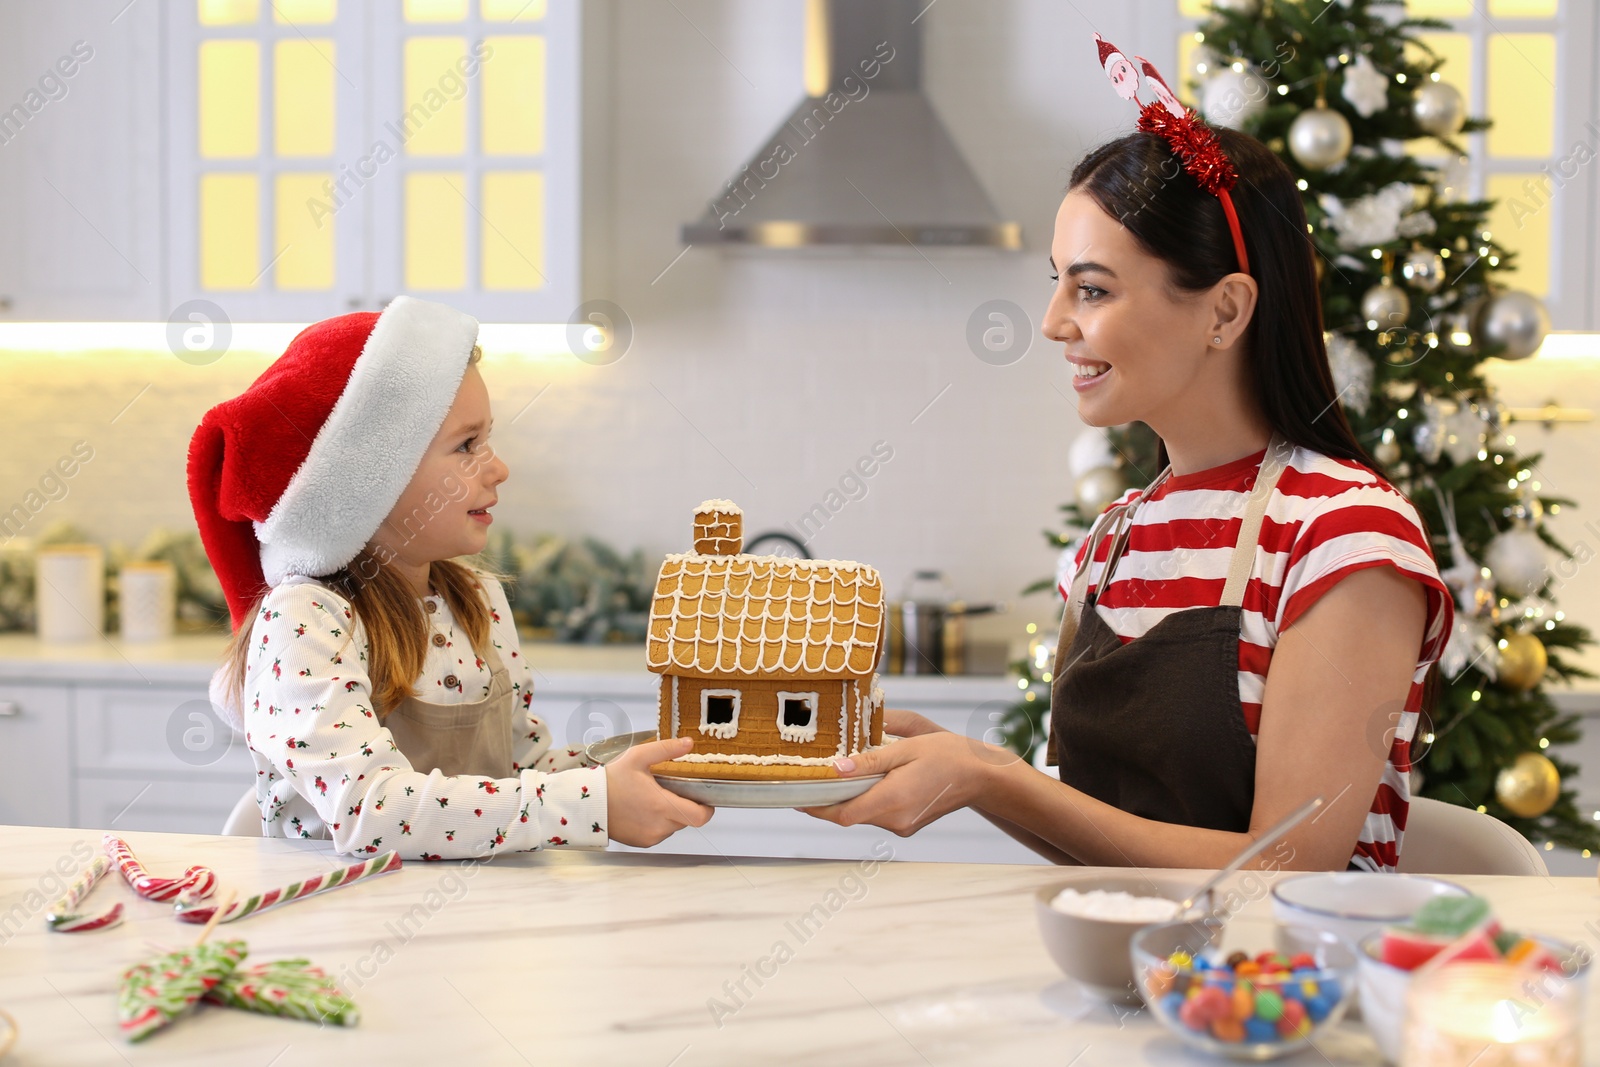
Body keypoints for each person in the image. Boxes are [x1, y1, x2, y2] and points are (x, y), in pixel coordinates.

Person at [804, 43, 1453, 873]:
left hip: (1282, 993)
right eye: (1056, 282)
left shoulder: (1345, 536)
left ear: (1224, 309)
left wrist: (994, 780)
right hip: (1109, 976)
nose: (1052, 322)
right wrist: (969, 770)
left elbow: (1289, 867)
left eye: (1093, 288)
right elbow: (1092, 839)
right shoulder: (1111, 542)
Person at [189, 296, 710, 859]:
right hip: (335, 926)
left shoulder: (476, 599)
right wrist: (591, 803)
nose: (498, 467)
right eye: (466, 445)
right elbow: (375, 813)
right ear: (365, 484)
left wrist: (674, 765)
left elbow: (523, 773)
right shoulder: (303, 622)